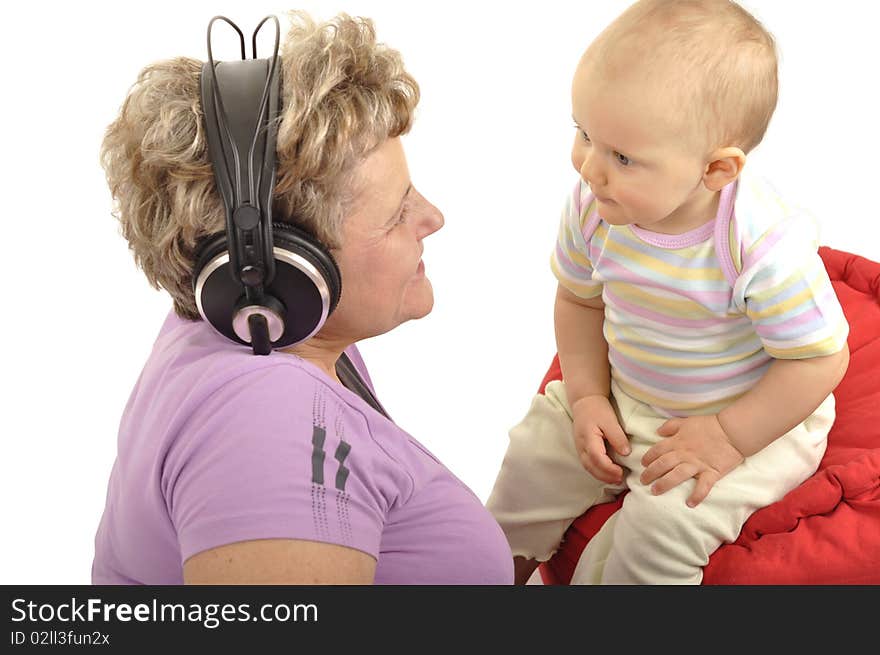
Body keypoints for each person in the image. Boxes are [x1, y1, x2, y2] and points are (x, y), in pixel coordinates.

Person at [91, 11, 514, 585]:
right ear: (284, 268)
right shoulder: (270, 412)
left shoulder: (274, 335)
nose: (432, 219)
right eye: (396, 216)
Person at [486, 0, 850, 585]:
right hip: (632, 394)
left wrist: (730, 436)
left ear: (715, 171)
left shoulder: (758, 245)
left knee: (662, 529)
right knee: (531, 458)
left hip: (746, 420)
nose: (589, 167)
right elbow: (578, 301)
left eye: (623, 157)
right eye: (584, 133)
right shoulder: (594, 206)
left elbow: (819, 359)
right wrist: (585, 399)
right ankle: (486, 577)